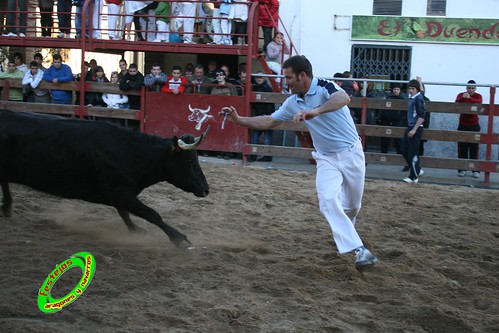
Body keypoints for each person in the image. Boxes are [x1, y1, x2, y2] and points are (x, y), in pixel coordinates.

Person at [219, 55, 378, 272]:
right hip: (326, 158)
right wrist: (238, 120)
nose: (286, 82)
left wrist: (316, 111)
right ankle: (359, 249)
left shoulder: (324, 86)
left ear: (303, 76)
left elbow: (343, 98)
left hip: (351, 154)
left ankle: (347, 234)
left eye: (289, 77)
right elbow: (269, 120)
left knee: (353, 206)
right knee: (328, 200)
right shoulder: (293, 102)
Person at [400, 79, 426, 184]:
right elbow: (422, 91)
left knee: (412, 152)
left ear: (417, 89)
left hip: (415, 127)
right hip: (411, 126)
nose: (411, 90)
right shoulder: (416, 97)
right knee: (404, 149)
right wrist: (419, 81)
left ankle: (413, 176)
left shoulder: (417, 99)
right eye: (410, 88)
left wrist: (414, 129)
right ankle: (417, 170)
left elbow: (422, 116)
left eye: (413, 89)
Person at [456, 80, 483, 178]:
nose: (470, 90)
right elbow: (457, 101)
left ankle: (475, 170)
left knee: (474, 148)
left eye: (472, 88)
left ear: (475, 89)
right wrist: (463, 97)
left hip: (474, 125)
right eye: (469, 88)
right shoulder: (461, 95)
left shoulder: (478, 96)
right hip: (462, 124)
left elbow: (479, 102)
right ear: (466, 88)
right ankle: (462, 169)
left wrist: (469, 98)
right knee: (462, 148)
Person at [248, 73, 274, 162]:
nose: (258, 79)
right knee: (257, 137)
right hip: (261, 116)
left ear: (263, 78)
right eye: (257, 78)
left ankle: (260, 156)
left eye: (260, 77)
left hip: (265, 116)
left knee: (264, 137)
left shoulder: (266, 88)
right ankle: (259, 156)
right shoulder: (262, 88)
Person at [380, 84, 406, 154]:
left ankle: (400, 154)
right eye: (395, 89)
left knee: (398, 138)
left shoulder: (403, 98)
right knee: (385, 137)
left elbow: (404, 111)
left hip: (397, 120)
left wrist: (400, 118)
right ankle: (384, 153)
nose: (396, 91)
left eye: (397, 89)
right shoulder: (388, 97)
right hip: (387, 119)